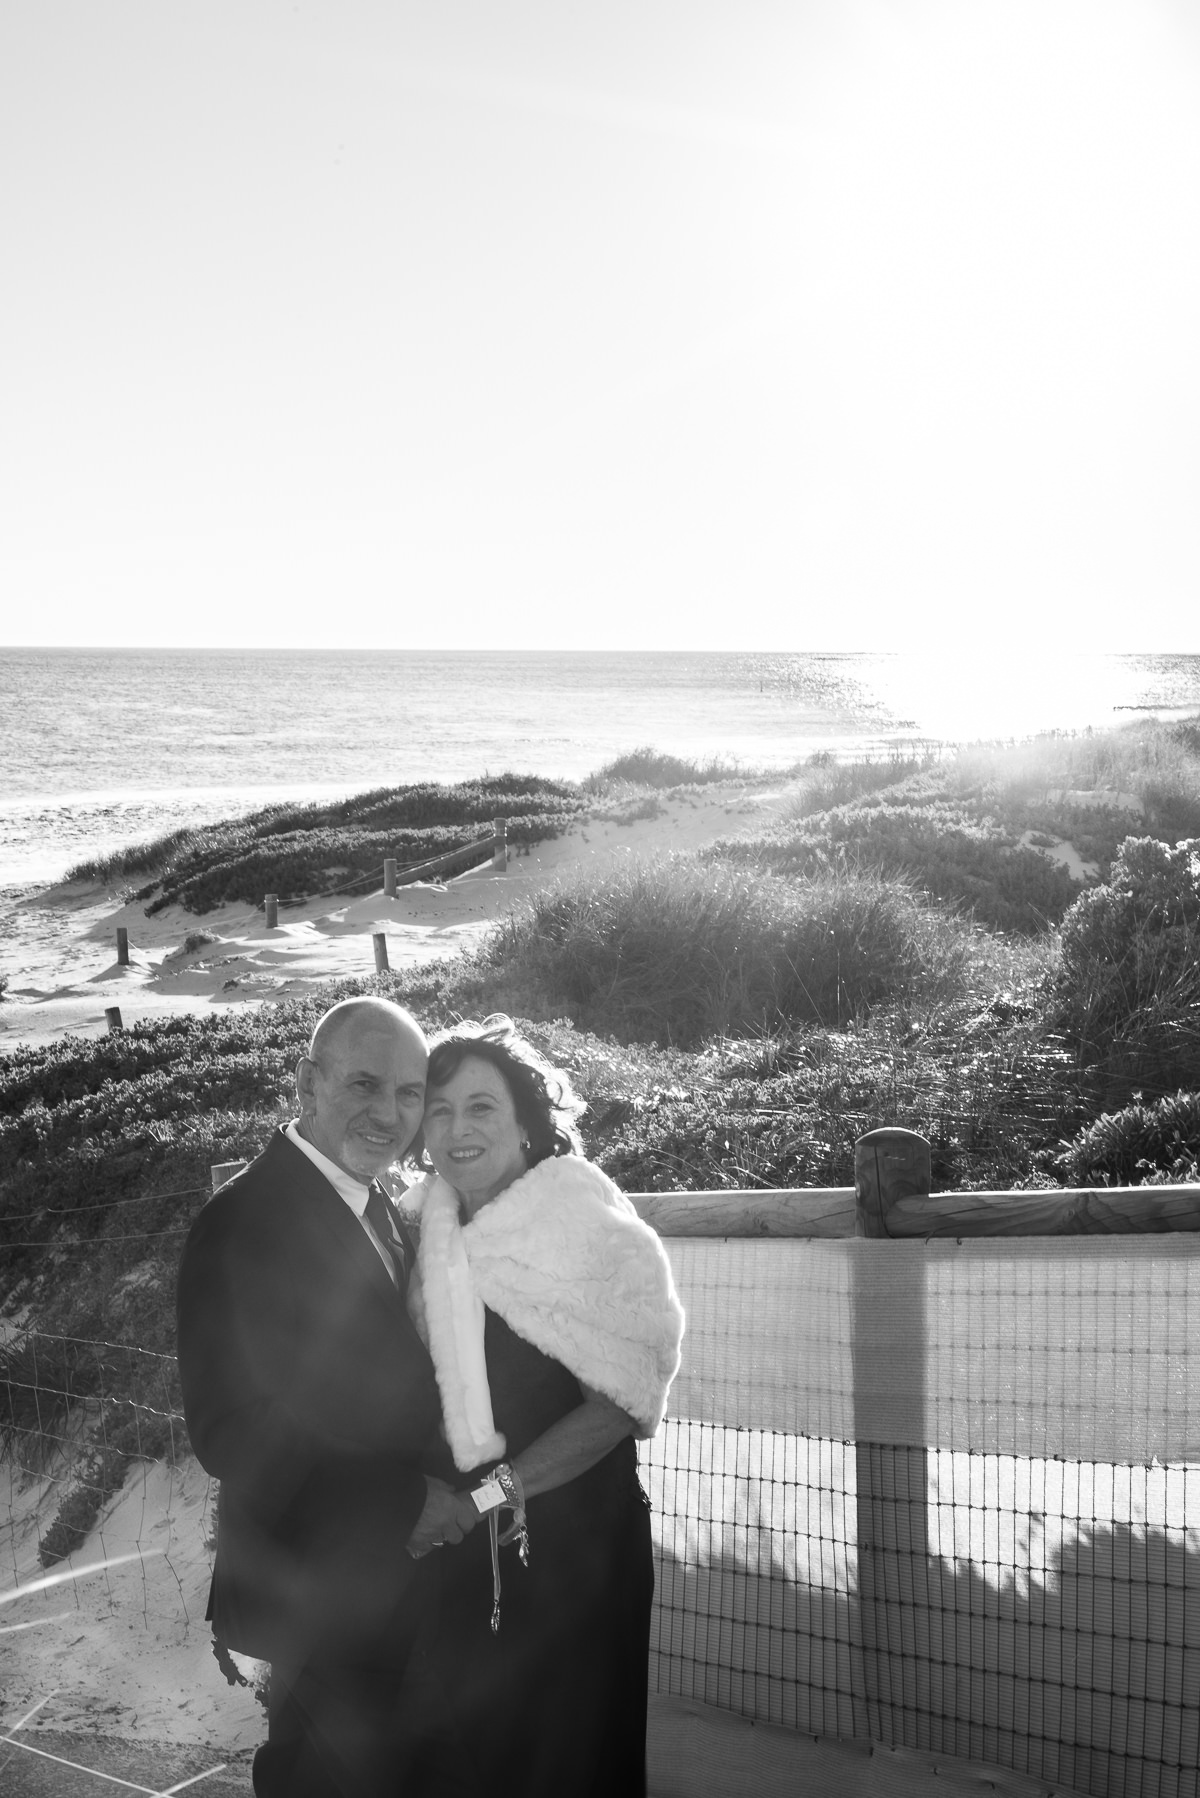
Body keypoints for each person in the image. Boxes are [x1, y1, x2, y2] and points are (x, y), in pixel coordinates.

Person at [176, 996, 471, 1798]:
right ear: (309, 1082)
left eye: (410, 1094)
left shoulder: (390, 1206)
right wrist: (403, 1498)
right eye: (365, 1085)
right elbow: (229, 1428)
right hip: (316, 1585)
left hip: (399, 1584)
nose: (390, 1114)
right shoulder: (242, 1221)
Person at [400, 1015, 685, 1798]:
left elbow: (619, 1403)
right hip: (456, 1545)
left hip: (572, 1553)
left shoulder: (583, 1226)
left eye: (482, 1107)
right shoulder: (420, 1230)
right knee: (465, 1758)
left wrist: (489, 1497)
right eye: (440, 1108)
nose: (459, 1129)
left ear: (527, 1120)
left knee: (567, 1761)